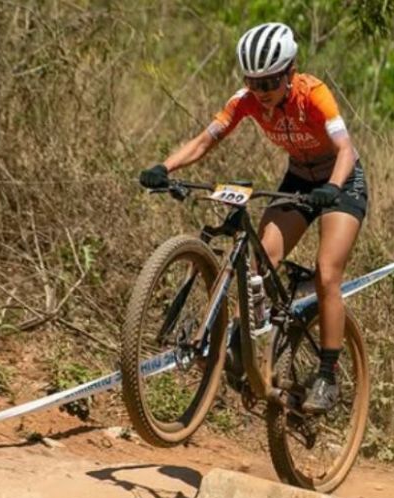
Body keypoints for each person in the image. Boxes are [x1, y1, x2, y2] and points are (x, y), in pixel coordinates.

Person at [139, 22, 367, 413]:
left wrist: (332, 186)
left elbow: (345, 148)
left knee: (328, 273)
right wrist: (165, 167)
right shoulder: (244, 100)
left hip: (342, 182)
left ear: (290, 72)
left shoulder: (314, 94)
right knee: (261, 262)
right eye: (253, 82)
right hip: (299, 180)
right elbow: (206, 140)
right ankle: (255, 341)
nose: (261, 92)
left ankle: (327, 376)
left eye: (270, 82)